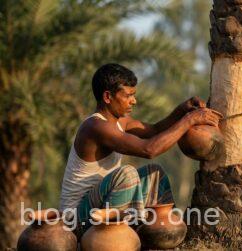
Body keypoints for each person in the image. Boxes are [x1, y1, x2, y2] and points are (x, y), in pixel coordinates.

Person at [58, 63, 221, 236]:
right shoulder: (95, 126)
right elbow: (149, 150)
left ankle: (163, 232)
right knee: (127, 174)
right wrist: (189, 120)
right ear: (107, 97)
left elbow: (155, 130)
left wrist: (182, 110)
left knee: (154, 174)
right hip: (77, 219)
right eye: (128, 96)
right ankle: (119, 237)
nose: (133, 101)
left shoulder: (121, 121)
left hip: (102, 204)